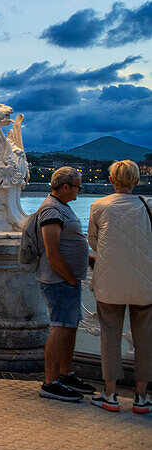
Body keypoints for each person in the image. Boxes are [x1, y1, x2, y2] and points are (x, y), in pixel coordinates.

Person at [86, 159, 152, 414]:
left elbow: (93, 242)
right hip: (144, 284)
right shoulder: (148, 205)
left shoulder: (99, 206)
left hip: (109, 283)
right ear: (136, 181)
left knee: (109, 338)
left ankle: (110, 394)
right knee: (145, 340)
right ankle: (141, 396)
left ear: (111, 180)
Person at [35, 166, 96, 402]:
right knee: (60, 328)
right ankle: (50, 382)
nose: (80, 190)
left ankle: (65, 374)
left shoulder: (60, 207)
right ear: (66, 186)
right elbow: (52, 251)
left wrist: (87, 259)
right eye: (78, 186)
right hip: (58, 280)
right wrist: (70, 277)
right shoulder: (51, 210)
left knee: (69, 327)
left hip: (66, 279)